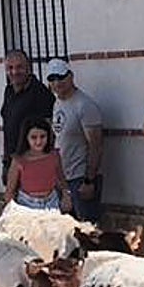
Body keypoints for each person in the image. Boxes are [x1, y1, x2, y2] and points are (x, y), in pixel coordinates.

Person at [47, 58, 104, 223]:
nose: (57, 82)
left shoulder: (84, 105)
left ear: (71, 76)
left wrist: (89, 180)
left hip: (81, 178)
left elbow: (96, 145)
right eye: (52, 79)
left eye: (61, 77)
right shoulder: (57, 102)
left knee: (87, 229)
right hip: (63, 178)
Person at [0, 50, 54, 187]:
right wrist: (6, 162)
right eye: (10, 68)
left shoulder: (41, 93)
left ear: (28, 68)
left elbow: (50, 131)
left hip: (33, 165)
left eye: (19, 67)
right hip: (11, 162)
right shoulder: (9, 91)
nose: (14, 72)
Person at [4, 116, 72, 212]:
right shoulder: (19, 160)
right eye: (33, 137)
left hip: (51, 203)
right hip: (26, 204)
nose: (38, 141)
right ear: (26, 138)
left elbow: (61, 179)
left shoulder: (54, 156)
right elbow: (10, 190)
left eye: (42, 136)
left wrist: (66, 195)